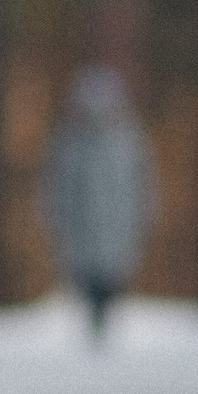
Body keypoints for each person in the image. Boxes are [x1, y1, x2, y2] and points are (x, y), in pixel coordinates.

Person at [40, 65, 154, 344]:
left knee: (110, 288)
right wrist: (56, 222)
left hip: (117, 234)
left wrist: (143, 221)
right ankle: (94, 336)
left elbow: (142, 187)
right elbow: (58, 188)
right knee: (88, 289)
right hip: (83, 237)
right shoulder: (70, 142)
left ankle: (105, 336)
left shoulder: (129, 141)